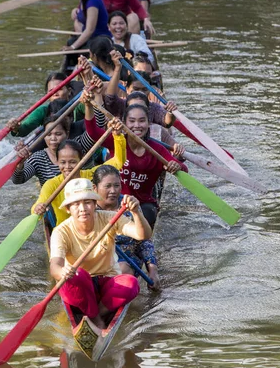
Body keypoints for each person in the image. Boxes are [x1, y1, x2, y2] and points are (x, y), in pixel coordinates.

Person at [49, 177, 151, 329]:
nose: (82, 208)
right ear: (68, 209)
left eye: (87, 202)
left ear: (95, 204)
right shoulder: (61, 231)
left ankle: (97, 314)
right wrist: (62, 272)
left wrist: (136, 213)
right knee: (77, 276)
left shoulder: (109, 219)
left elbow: (143, 235)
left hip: (107, 282)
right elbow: (55, 267)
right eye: (76, 204)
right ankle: (96, 318)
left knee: (131, 283)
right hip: (80, 284)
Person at [84, 98, 188, 227]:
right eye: (132, 121)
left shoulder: (157, 149)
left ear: (149, 123)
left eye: (142, 121)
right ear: (124, 123)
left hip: (142, 205)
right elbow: (93, 132)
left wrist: (176, 165)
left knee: (143, 216)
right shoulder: (117, 140)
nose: (137, 126)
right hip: (112, 199)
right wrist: (88, 106)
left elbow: (184, 169)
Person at [32, 119, 126, 225]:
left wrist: (117, 136)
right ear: (57, 162)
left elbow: (118, 162)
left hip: (92, 228)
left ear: (81, 161)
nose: (67, 167)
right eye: (63, 162)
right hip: (66, 233)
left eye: (72, 162)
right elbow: (37, 207)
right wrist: (38, 209)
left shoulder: (92, 175)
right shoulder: (52, 185)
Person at [93, 164, 161, 291]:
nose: (113, 191)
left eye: (116, 185)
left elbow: (144, 241)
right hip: (95, 261)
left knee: (123, 269)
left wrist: (152, 270)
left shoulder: (129, 205)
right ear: (95, 188)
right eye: (107, 186)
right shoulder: (87, 208)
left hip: (127, 261)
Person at [6, 71, 84, 138]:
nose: (55, 94)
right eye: (51, 91)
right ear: (47, 95)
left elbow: (94, 109)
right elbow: (24, 129)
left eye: (59, 89)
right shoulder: (43, 110)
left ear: (69, 91)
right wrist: (16, 127)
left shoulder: (78, 106)